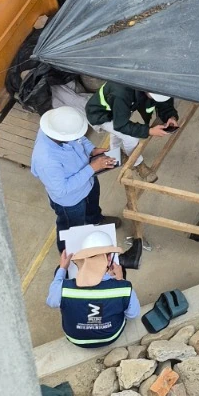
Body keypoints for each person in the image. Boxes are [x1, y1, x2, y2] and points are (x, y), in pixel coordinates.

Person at [30, 107, 116, 251]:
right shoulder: (46, 160)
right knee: (70, 230)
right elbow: (62, 190)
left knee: (92, 206)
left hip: (88, 182)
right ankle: (68, 254)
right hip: (71, 201)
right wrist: (91, 168)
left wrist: (91, 150)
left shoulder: (57, 129)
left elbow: (80, 138)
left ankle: (95, 220)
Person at [46, 232, 141, 348]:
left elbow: (51, 302)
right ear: (109, 258)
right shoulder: (124, 289)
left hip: (75, 338)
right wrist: (120, 280)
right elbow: (132, 314)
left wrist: (62, 269)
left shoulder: (64, 288)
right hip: (110, 336)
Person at [85, 83, 178, 183]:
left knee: (118, 129)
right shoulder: (121, 93)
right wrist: (149, 131)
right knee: (130, 138)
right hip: (100, 114)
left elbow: (163, 101)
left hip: (116, 108)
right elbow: (121, 125)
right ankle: (138, 164)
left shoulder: (147, 85)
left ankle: (115, 151)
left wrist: (170, 116)